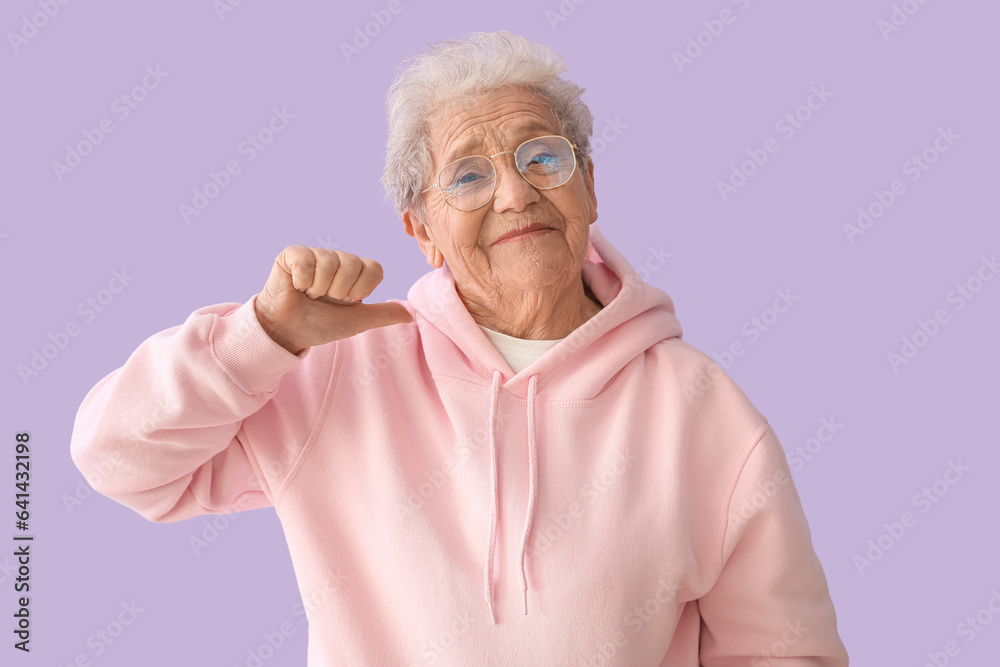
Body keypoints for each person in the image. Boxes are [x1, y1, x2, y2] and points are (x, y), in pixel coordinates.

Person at [70, 30, 849, 666]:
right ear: (422, 230)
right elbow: (116, 458)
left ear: (589, 188)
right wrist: (260, 340)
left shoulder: (700, 408)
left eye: (542, 157)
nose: (515, 193)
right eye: (468, 176)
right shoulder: (337, 371)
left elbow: (785, 651)